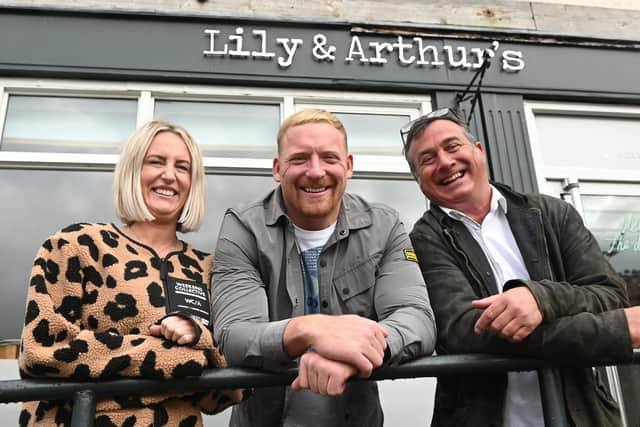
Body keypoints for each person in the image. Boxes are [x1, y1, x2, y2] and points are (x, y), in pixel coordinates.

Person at [402, 108, 640, 427]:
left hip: (582, 414)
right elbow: (463, 329)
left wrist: (541, 299)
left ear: (479, 150)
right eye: (427, 159)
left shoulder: (553, 213)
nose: (445, 162)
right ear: (418, 180)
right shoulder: (423, 239)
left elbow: (609, 296)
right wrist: (614, 330)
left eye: (452, 146)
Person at [212, 108, 436, 427]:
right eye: (300, 158)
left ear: (349, 166)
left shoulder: (384, 225)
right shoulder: (243, 227)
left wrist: (359, 353)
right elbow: (233, 336)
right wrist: (312, 330)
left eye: (329, 157)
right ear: (278, 168)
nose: (315, 172)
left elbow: (417, 318)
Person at [18, 120, 243, 426]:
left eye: (182, 167)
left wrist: (198, 335)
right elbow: (41, 352)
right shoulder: (76, 246)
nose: (169, 175)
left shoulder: (209, 269)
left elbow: (228, 391)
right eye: (156, 162)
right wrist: (166, 357)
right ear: (132, 171)